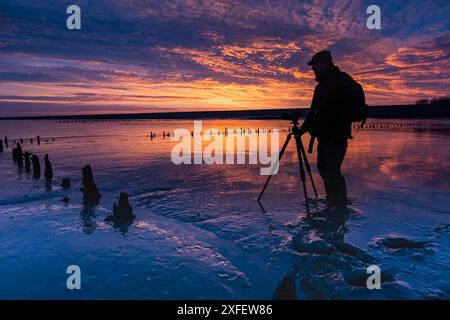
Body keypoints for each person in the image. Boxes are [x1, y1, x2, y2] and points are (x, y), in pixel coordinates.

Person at [299, 50, 357, 213]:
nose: (313, 69)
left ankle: (339, 208)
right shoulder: (321, 87)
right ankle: (333, 202)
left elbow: (331, 112)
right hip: (324, 138)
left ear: (325, 64)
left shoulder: (338, 83)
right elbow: (314, 113)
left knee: (332, 171)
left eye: (315, 65)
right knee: (325, 169)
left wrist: (321, 125)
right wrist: (302, 130)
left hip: (336, 137)